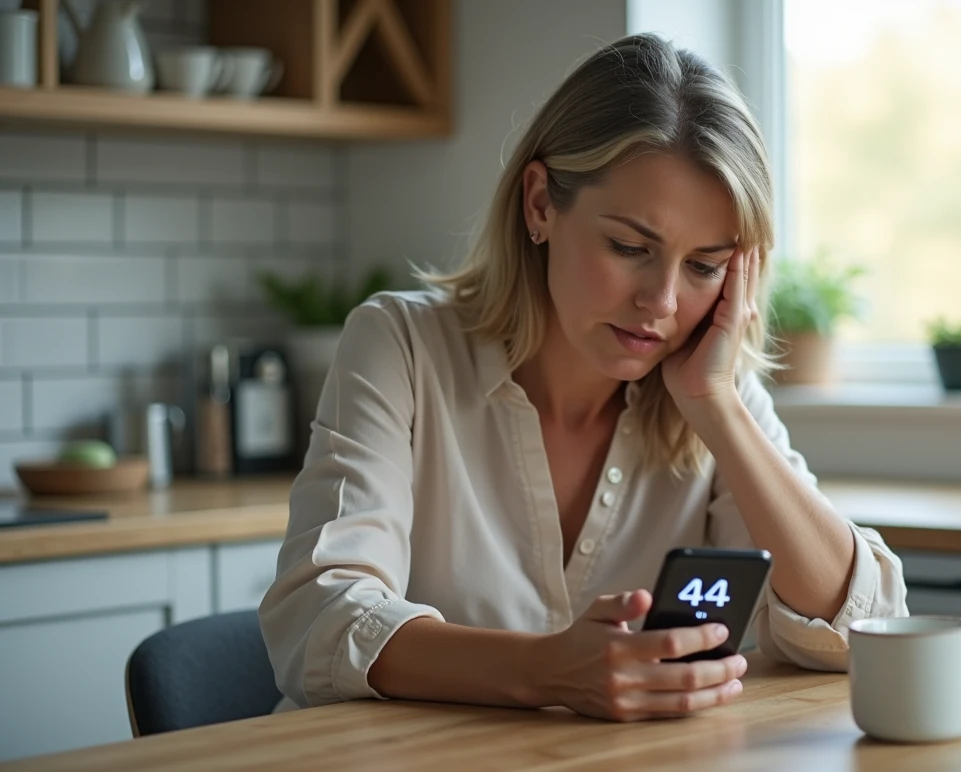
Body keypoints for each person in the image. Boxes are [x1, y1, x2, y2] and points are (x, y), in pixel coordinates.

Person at [259, 33, 908, 722]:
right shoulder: (402, 346)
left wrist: (718, 407)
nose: (661, 303)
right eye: (631, 247)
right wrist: (543, 671)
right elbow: (320, 616)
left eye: (704, 266)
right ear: (540, 204)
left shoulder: (709, 388)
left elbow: (860, 627)